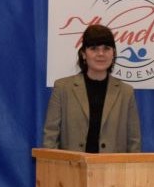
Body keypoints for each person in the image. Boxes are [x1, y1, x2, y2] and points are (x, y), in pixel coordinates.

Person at [42, 23, 142, 153]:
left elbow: (134, 142)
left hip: (113, 171)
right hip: (71, 170)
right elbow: (50, 136)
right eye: (94, 48)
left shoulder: (126, 92)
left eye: (106, 48)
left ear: (113, 54)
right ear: (83, 54)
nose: (101, 53)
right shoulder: (62, 88)